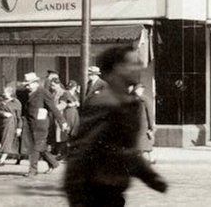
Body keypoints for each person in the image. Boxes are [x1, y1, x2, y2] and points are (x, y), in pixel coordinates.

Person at [63, 43, 167, 206]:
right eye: (133, 63)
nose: (140, 66)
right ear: (118, 68)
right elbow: (80, 151)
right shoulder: (103, 103)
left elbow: (127, 150)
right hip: (92, 191)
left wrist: (150, 177)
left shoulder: (130, 103)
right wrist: (76, 199)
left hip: (114, 189)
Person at [23, 71, 66, 176]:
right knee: (40, 147)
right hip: (30, 124)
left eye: (29, 84)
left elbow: (53, 108)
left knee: (35, 147)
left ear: (35, 82)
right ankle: (53, 163)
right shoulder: (27, 93)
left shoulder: (43, 92)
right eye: (26, 85)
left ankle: (33, 171)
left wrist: (62, 121)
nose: (27, 86)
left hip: (41, 124)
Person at [0, 86, 22, 167]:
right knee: (3, 140)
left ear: (10, 93)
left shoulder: (16, 102)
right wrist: (3, 113)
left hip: (11, 123)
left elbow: (19, 116)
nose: (4, 93)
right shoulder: (2, 101)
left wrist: (19, 127)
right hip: (2, 123)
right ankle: (19, 156)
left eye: (5, 92)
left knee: (6, 141)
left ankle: (2, 161)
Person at [57, 80, 82, 160]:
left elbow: (78, 102)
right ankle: (65, 154)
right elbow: (62, 103)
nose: (71, 89)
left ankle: (71, 153)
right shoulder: (66, 93)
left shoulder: (75, 94)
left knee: (74, 132)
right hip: (68, 113)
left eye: (72, 87)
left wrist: (77, 104)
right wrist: (69, 104)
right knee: (67, 132)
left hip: (75, 113)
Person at [131, 85, 155, 164]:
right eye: (136, 90)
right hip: (139, 125)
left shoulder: (145, 100)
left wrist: (151, 126)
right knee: (144, 144)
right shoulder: (136, 100)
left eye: (138, 90)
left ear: (142, 90)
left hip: (144, 125)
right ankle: (150, 159)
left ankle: (148, 159)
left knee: (144, 143)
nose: (137, 91)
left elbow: (150, 114)